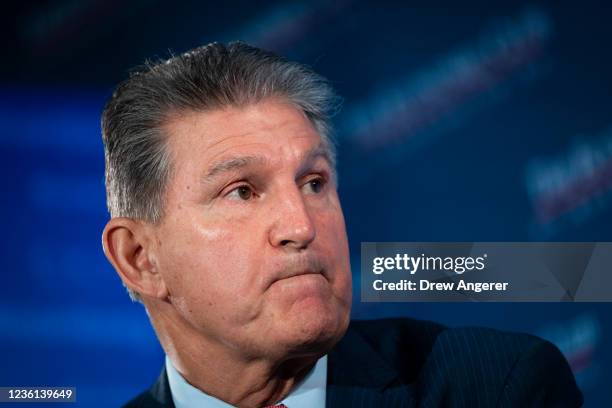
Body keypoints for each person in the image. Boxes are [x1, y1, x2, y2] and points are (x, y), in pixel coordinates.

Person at [101, 42, 582, 407]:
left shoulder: (495, 388)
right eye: (242, 191)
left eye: (313, 182)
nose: (301, 225)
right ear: (140, 258)